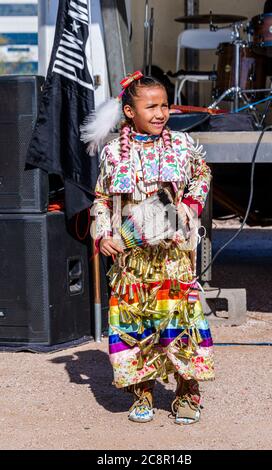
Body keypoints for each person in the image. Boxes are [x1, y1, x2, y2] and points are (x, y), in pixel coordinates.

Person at [84, 71, 214, 425]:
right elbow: (101, 197)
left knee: (180, 323)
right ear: (129, 111)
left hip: (173, 258)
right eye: (151, 106)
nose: (161, 113)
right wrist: (105, 232)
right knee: (135, 326)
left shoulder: (182, 145)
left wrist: (190, 205)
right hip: (132, 262)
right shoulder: (113, 154)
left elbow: (202, 174)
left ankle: (188, 394)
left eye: (165, 105)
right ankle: (141, 392)